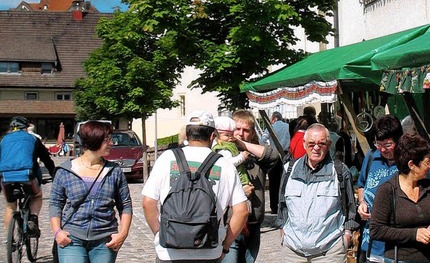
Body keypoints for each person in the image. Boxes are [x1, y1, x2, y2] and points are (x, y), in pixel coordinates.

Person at [142, 110, 248, 262]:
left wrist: (161, 234)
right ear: (213, 136)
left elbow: (148, 203)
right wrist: (225, 246)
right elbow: (242, 211)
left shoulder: (166, 158)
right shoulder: (225, 165)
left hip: (169, 252)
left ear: (186, 134)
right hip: (209, 251)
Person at [50, 120, 132, 263]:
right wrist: (57, 231)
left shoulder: (114, 171)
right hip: (72, 237)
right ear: (95, 140)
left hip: (105, 239)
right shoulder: (65, 171)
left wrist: (123, 233)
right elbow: (55, 204)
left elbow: (125, 205)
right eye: (108, 140)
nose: (112, 143)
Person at [277, 123, 359, 262]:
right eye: (311, 144)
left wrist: (347, 234)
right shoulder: (289, 170)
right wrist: (282, 228)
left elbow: (350, 206)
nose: (316, 148)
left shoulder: (340, 171)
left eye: (321, 144)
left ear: (329, 144)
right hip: (293, 251)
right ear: (303, 143)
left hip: (330, 251)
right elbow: (282, 204)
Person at [370, 134, 430, 263]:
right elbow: (376, 230)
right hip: (401, 259)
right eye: (428, 162)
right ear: (412, 165)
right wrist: (414, 234)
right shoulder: (388, 190)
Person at [225, 109, 280, 263]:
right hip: (230, 221)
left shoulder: (255, 152)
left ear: (253, 132)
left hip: (253, 221)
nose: (240, 133)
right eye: (237, 129)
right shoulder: (223, 152)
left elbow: (273, 156)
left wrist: (242, 144)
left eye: (246, 130)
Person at [356, 115, 403, 263]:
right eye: (378, 144)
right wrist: (362, 203)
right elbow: (361, 184)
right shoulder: (371, 157)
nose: (382, 149)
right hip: (371, 241)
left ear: (399, 140)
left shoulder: (408, 161)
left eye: (388, 145)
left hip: (399, 243)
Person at [0, 115, 56, 235]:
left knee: (10, 206)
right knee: (37, 196)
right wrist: (54, 173)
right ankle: (33, 219)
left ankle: (11, 239)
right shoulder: (32, 139)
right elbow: (46, 159)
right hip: (27, 176)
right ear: (26, 127)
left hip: (6, 177)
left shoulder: (3, 140)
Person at [259, 111, 290, 213]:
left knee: (273, 182)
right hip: (285, 154)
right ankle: (284, 204)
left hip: (274, 154)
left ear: (273, 118)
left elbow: (262, 140)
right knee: (285, 179)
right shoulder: (287, 126)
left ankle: (274, 206)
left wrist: (268, 147)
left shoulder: (271, 127)